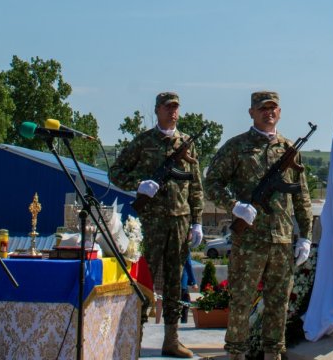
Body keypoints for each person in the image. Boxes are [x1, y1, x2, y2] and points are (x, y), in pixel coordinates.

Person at [205, 91, 313, 360]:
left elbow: (301, 194)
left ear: (280, 112)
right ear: (252, 112)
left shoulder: (289, 149)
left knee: (278, 304)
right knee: (242, 302)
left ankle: (273, 354)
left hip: (281, 240)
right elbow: (212, 183)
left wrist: (306, 237)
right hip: (249, 241)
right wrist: (234, 205)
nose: (269, 113)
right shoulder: (237, 146)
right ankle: (236, 354)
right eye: (263, 109)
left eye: (273, 108)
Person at [110, 91, 205, 358]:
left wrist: (197, 221)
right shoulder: (144, 142)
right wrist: (138, 184)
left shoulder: (186, 143)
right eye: (167, 107)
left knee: (176, 280)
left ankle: (172, 339)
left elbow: (195, 184)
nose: (172, 112)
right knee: (144, 279)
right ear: (157, 110)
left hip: (180, 221)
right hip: (151, 223)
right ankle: (135, 335)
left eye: (175, 107)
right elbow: (116, 172)